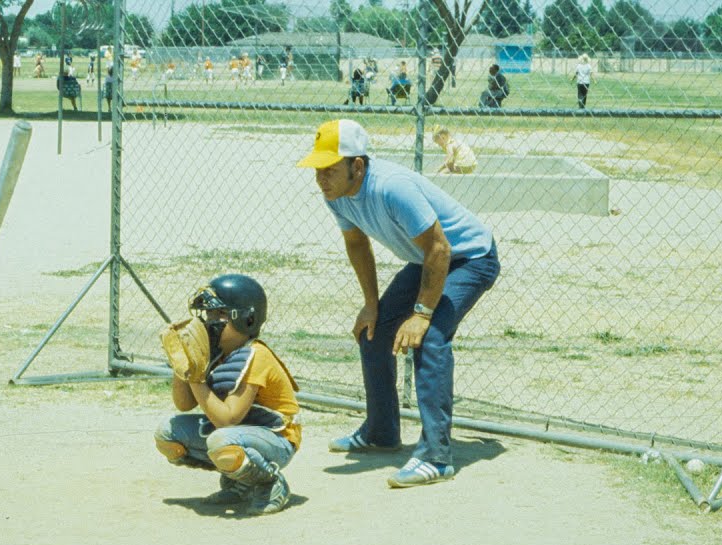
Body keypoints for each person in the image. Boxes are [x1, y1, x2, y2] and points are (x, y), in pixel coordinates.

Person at [298, 119, 499, 487]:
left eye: (329, 169)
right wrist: (371, 304)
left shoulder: (391, 187)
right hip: (429, 260)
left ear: (357, 166)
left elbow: (440, 248)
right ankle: (381, 431)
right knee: (372, 332)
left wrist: (422, 315)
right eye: (316, 169)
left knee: (431, 337)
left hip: (471, 258)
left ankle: (436, 457)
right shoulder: (337, 196)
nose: (320, 179)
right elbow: (357, 244)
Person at [155, 275, 301, 515]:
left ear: (247, 319)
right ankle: (239, 484)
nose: (210, 321)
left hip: (277, 439)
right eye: (209, 314)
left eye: (220, 314)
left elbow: (227, 420)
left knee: (221, 441)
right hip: (241, 434)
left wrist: (196, 378)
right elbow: (183, 405)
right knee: (168, 435)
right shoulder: (217, 353)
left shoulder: (256, 355)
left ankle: (270, 483)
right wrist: (182, 367)